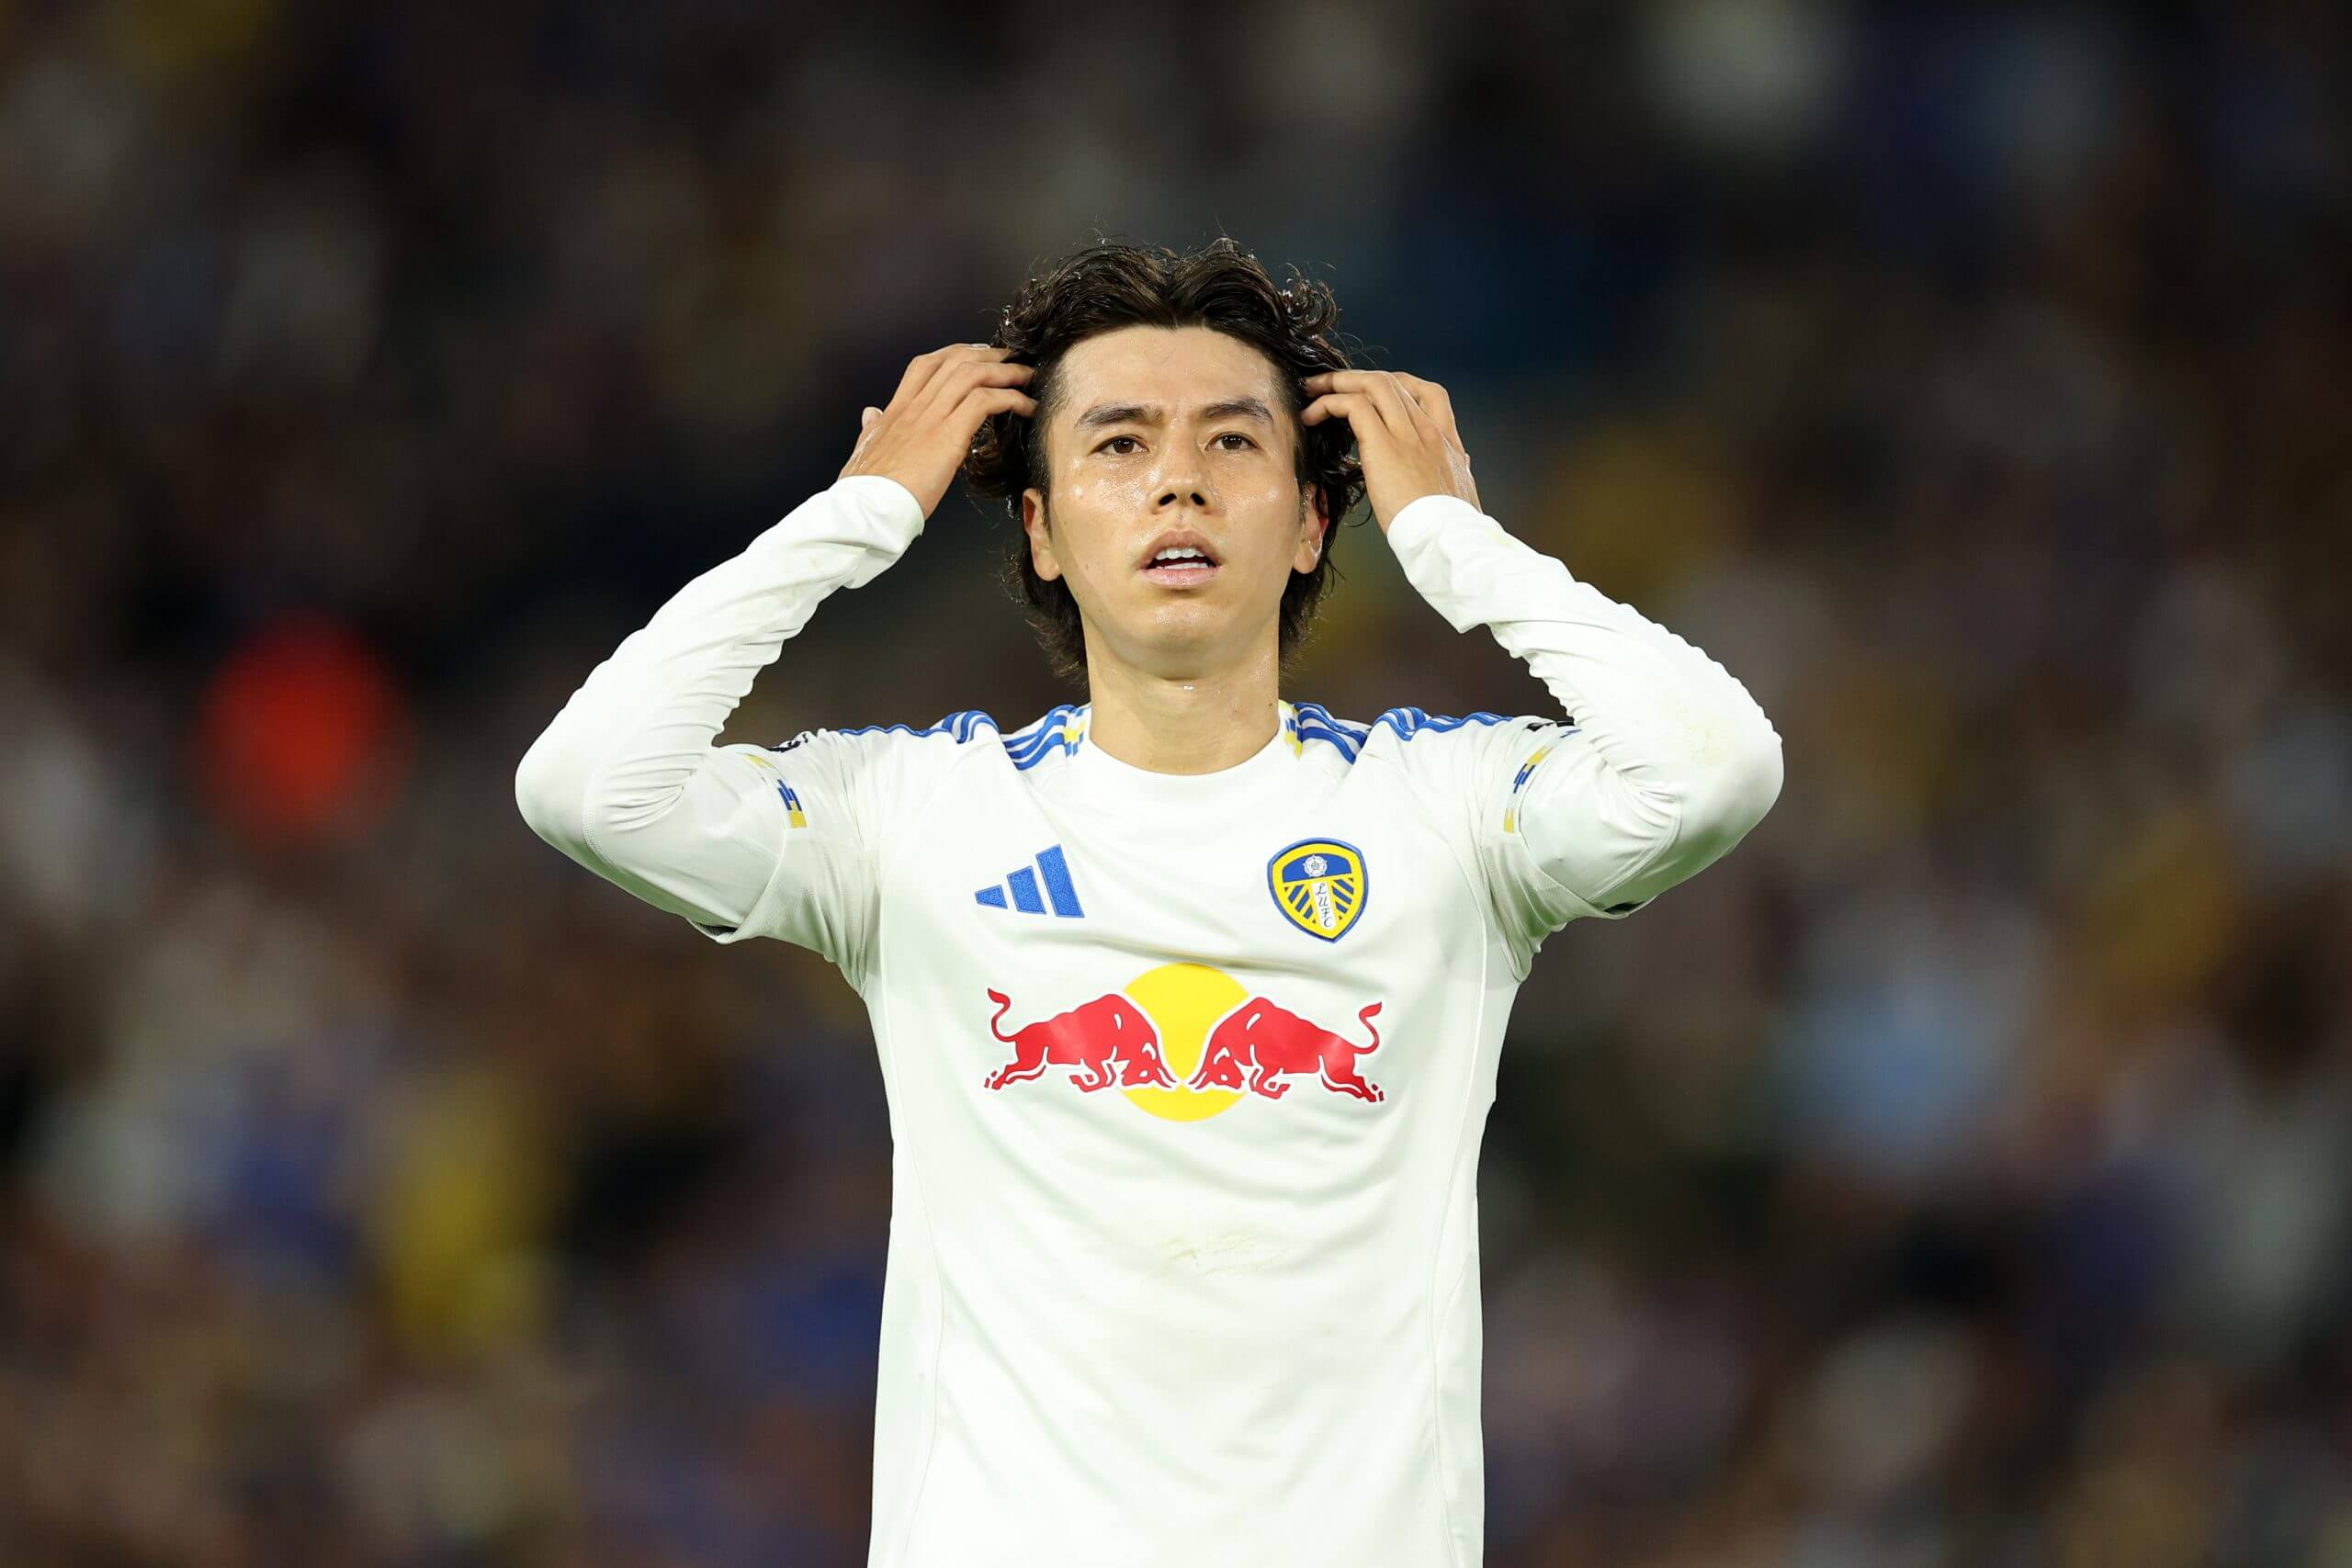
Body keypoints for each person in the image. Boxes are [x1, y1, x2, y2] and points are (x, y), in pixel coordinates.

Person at [515, 237, 1783, 1568]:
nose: (1180, 479)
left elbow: (1716, 771)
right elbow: (588, 788)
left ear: (1311, 522)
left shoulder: (1445, 811)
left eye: (1232, 442)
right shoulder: (918, 816)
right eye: (1119, 445)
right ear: (1041, 530)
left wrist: (1460, 547)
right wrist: (857, 516)